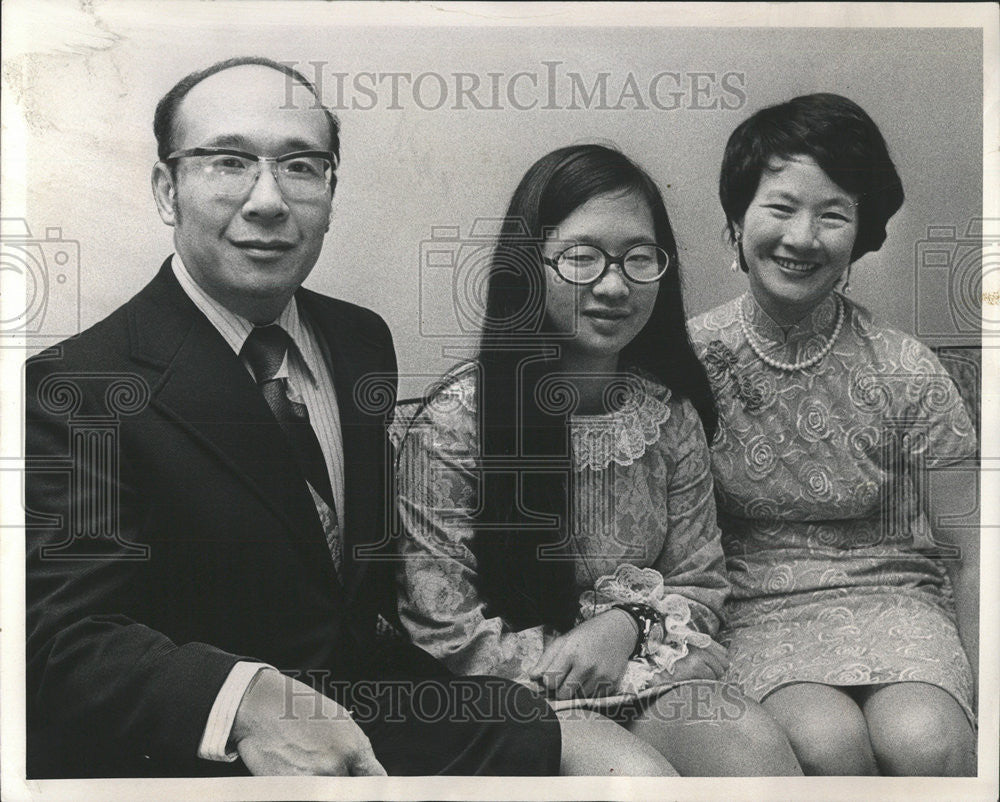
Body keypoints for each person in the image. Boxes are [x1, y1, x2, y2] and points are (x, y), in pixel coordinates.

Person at [24, 57, 669, 779]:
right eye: (228, 161)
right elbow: (60, 641)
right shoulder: (79, 383)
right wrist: (244, 701)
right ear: (166, 189)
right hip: (197, 753)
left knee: (631, 774)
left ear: (330, 190)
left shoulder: (359, 341)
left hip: (378, 705)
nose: (268, 199)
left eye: (301, 166)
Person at [393, 144, 802, 776]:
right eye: (582, 257)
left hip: (650, 673)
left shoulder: (670, 416)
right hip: (512, 695)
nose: (614, 285)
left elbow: (701, 582)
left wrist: (628, 625)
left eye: (639, 258)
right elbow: (442, 624)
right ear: (530, 267)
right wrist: (583, 659)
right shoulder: (456, 423)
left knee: (755, 751)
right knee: (638, 780)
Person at [687, 93, 978, 776]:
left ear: (862, 235)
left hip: (896, 597)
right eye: (781, 207)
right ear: (737, 220)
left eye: (833, 214)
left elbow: (974, 551)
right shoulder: (688, 362)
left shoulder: (905, 365)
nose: (801, 237)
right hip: (754, 606)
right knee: (825, 744)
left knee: (927, 741)